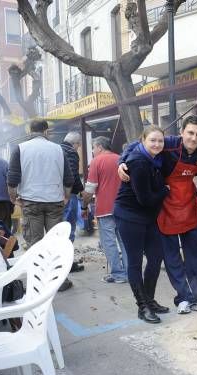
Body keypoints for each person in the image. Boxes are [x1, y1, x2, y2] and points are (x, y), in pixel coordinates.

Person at [118, 116, 197, 314]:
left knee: (196, 255)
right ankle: (184, 297)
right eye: (190, 133)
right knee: (172, 258)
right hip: (165, 208)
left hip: (190, 208)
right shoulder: (168, 144)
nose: (193, 138)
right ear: (182, 132)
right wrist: (121, 162)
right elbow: (137, 144)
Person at [7, 119, 74, 291]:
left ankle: (38, 284)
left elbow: (13, 179)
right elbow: (68, 177)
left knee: (34, 243)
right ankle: (60, 281)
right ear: (46, 132)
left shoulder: (20, 149)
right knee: (56, 244)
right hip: (55, 201)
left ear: (30, 131)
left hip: (31, 202)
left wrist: (14, 198)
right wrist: (66, 196)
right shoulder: (58, 149)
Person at [114, 127, 170, 323]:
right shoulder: (138, 161)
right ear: (143, 141)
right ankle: (142, 306)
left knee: (156, 257)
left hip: (148, 218)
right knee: (135, 261)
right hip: (129, 216)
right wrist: (165, 190)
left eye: (160, 141)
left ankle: (150, 299)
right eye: (152, 140)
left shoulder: (155, 159)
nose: (157, 144)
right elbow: (145, 199)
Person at [82, 136, 128, 284]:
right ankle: (129, 273)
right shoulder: (121, 158)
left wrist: (84, 206)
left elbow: (90, 189)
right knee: (124, 241)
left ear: (100, 147)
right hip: (123, 208)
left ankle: (118, 275)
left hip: (105, 208)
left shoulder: (97, 161)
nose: (93, 151)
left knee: (109, 242)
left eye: (93, 148)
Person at [60, 131, 85, 273]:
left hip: (56, 196)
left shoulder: (57, 149)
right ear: (74, 143)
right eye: (79, 145)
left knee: (59, 229)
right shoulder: (70, 152)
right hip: (68, 195)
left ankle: (61, 262)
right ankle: (67, 264)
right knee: (68, 229)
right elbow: (72, 176)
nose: (78, 148)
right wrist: (80, 190)